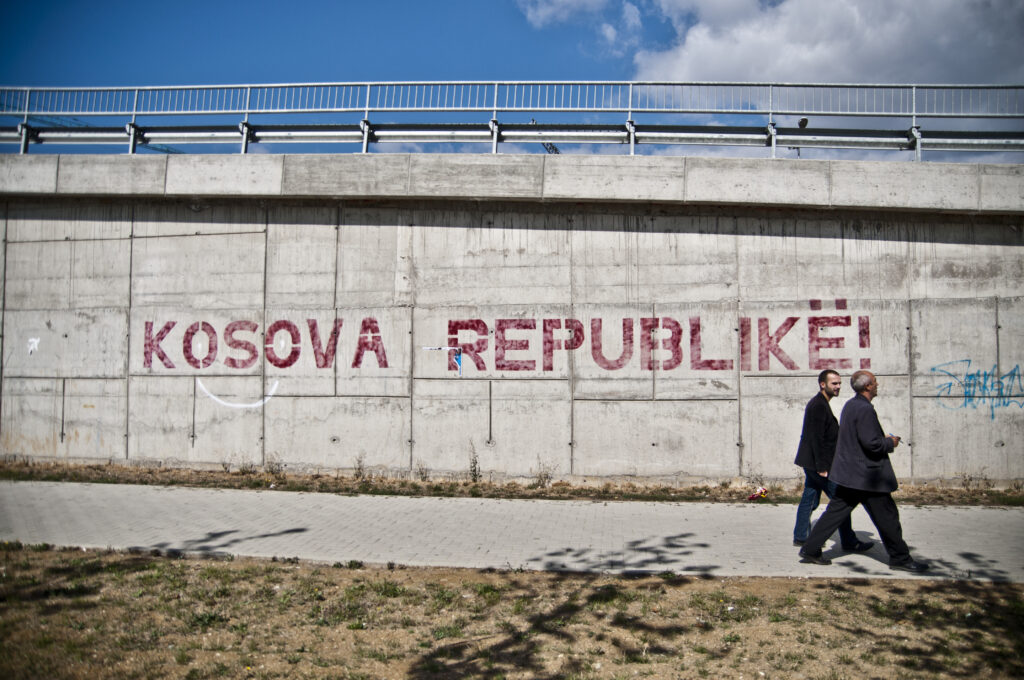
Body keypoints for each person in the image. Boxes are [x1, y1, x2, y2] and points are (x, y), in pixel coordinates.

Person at [798, 371, 928, 573]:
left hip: (851, 475)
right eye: (875, 382)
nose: (877, 385)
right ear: (867, 386)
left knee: (834, 513)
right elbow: (871, 444)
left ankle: (810, 549)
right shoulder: (863, 409)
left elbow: (857, 438)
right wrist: (890, 442)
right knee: (888, 518)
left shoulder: (851, 405)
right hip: (869, 476)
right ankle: (900, 558)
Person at [792, 370, 873, 553]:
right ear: (823, 384)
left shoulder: (820, 403)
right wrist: (822, 467)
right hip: (819, 465)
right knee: (840, 502)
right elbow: (816, 438)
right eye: (834, 383)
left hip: (811, 462)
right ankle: (849, 541)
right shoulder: (818, 405)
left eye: (839, 383)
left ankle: (801, 536)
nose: (838, 387)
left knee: (810, 499)